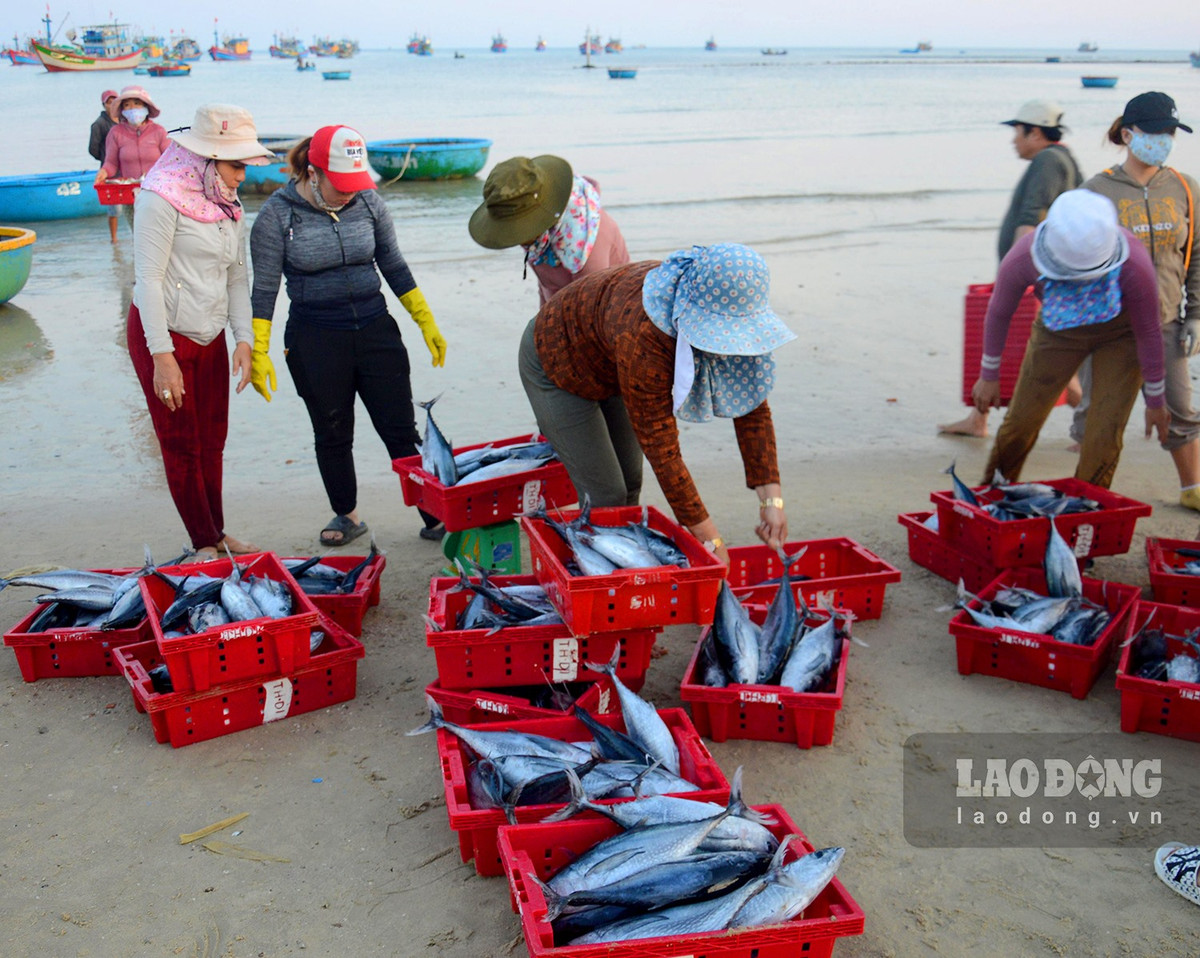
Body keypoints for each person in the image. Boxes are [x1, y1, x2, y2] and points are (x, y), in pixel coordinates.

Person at [518, 243, 793, 562]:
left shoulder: (726, 307)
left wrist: (771, 502)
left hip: (610, 359)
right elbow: (662, 449)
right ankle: (603, 573)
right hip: (556, 358)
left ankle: (624, 563)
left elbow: (752, 407)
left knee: (631, 481)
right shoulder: (646, 337)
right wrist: (710, 540)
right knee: (607, 493)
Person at [249, 125, 448, 546]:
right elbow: (264, 288)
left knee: (400, 429)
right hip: (315, 337)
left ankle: (434, 516)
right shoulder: (276, 216)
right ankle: (347, 514)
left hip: (376, 329)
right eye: (341, 185)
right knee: (333, 430)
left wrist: (424, 320)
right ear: (313, 172)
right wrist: (258, 349)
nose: (349, 193)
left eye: (355, 183)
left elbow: (393, 264)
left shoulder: (369, 202)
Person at [128, 104, 274, 558]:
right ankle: (202, 542)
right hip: (164, 334)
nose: (242, 176)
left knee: (213, 440)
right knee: (180, 444)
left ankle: (217, 532)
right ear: (207, 158)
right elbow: (148, 280)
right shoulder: (159, 197)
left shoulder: (227, 203)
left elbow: (236, 277)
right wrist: (162, 356)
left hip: (210, 334)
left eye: (245, 166)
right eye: (236, 165)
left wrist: (244, 339)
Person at [972, 189, 1168, 488]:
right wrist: (988, 375)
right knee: (1021, 421)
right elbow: (999, 313)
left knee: (1104, 431)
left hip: (1121, 335)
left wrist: (1155, 399)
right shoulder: (1023, 258)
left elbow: (1149, 331)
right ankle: (992, 494)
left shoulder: (1134, 264)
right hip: (1058, 330)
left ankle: (1088, 503)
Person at [1075, 92, 1200, 510]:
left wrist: (1196, 315)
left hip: (1166, 322)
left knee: (1180, 410)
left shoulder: (1185, 188)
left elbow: (1197, 253)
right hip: (1109, 328)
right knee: (1098, 416)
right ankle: (1089, 495)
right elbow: (1076, 261)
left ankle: (1192, 489)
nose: (1163, 141)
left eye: (1170, 133)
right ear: (1128, 135)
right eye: (1155, 132)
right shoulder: (1096, 191)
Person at [940, 99, 1084, 437]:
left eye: (1018, 132)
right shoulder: (1062, 158)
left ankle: (1092, 423)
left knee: (1040, 352)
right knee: (1048, 352)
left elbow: (1032, 215)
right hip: (1047, 272)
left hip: (1035, 275)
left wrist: (1018, 273)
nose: (1013, 140)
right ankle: (978, 418)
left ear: (1035, 133)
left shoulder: (1048, 161)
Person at [469, 155, 630, 304]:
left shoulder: (586, 245)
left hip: (605, 309)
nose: (516, 238)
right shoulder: (539, 237)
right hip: (560, 306)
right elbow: (547, 286)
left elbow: (591, 314)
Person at [94, 85, 169, 236]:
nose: (132, 108)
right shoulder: (115, 133)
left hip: (157, 194)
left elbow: (170, 161)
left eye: (137, 103)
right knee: (139, 237)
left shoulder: (158, 132)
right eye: (127, 105)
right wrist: (103, 172)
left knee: (160, 235)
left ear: (146, 106)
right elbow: (111, 163)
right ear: (122, 110)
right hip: (130, 195)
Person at [87, 89, 120, 243]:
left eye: (115, 101)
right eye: (109, 102)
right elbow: (92, 149)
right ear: (104, 105)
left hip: (127, 169)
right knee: (114, 208)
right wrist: (106, 159)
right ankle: (114, 239)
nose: (112, 105)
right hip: (109, 171)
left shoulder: (124, 121)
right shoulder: (98, 124)